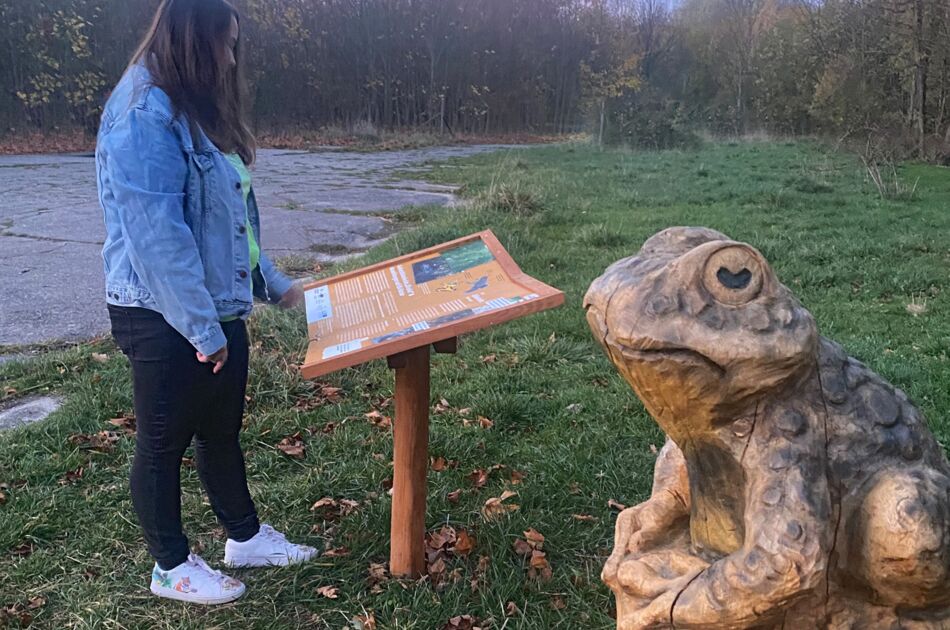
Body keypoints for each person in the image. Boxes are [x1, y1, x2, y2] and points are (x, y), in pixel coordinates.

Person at [96, 0, 317, 605]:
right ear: (191, 41)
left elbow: (231, 220)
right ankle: (170, 565)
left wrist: (273, 282)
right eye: (222, 45)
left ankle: (243, 538)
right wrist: (201, 329)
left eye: (233, 45)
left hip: (216, 303)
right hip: (160, 311)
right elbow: (157, 238)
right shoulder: (143, 113)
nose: (229, 58)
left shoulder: (195, 108)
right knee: (163, 441)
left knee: (221, 432)